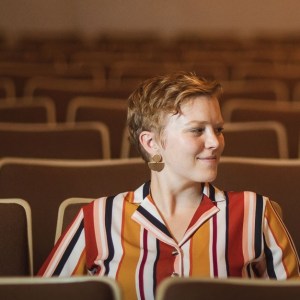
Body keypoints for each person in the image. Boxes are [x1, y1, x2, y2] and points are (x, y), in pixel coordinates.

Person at [38, 72, 300, 300]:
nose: (215, 142)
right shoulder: (97, 218)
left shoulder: (255, 212)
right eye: (197, 130)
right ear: (151, 143)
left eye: (218, 129)